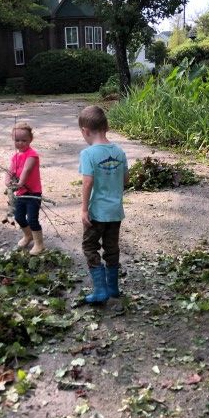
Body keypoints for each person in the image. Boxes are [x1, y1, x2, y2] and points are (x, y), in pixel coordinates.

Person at [78, 105, 128, 303]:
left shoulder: (88, 154)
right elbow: (125, 180)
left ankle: (100, 290)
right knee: (111, 248)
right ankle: (113, 288)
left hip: (97, 212)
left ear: (85, 131)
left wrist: (83, 209)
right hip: (115, 211)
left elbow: (88, 181)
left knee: (89, 246)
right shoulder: (119, 151)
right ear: (106, 127)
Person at [6, 121, 44, 255]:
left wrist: (20, 182)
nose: (20, 143)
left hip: (33, 193)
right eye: (17, 140)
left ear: (30, 140)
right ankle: (28, 236)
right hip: (21, 193)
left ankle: (39, 243)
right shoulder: (15, 157)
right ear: (13, 140)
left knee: (32, 219)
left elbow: (27, 170)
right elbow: (10, 171)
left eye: (24, 140)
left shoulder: (32, 155)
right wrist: (8, 181)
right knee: (19, 217)